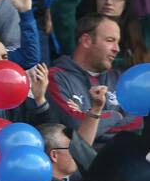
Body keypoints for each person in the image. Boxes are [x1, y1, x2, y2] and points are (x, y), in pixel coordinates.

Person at [48, 14, 141, 146]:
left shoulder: (120, 79)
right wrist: (117, 115)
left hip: (121, 160)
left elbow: (135, 124)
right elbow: (75, 128)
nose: (117, 49)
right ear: (86, 41)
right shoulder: (56, 77)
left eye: (118, 42)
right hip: (81, 164)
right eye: (110, 40)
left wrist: (89, 117)